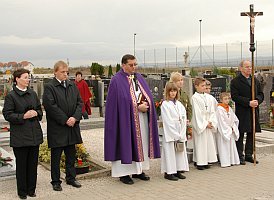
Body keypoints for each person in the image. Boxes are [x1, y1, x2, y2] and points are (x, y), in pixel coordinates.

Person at [104, 54, 161, 185]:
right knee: (126, 143)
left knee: (141, 143)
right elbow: (117, 104)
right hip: (124, 121)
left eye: (135, 64)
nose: (134, 67)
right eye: (131, 65)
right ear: (123, 65)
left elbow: (147, 95)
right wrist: (136, 107)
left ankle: (138, 170)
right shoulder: (116, 80)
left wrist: (147, 104)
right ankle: (123, 173)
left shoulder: (138, 77)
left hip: (140, 119)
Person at [2, 68, 43, 199]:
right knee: (22, 165)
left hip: (34, 134)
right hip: (20, 136)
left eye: (28, 77)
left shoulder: (33, 94)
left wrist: (36, 113)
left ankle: (32, 189)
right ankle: (22, 191)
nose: (28, 79)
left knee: (32, 165)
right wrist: (23, 116)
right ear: (17, 79)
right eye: (25, 77)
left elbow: (40, 110)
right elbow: (8, 115)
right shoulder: (11, 96)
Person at [43, 61, 83, 191]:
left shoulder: (72, 85)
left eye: (67, 72)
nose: (65, 74)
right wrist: (65, 119)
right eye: (62, 72)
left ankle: (71, 178)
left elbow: (79, 103)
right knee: (56, 156)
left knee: (71, 155)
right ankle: (56, 181)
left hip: (72, 127)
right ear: (55, 72)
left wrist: (75, 118)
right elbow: (50, 106)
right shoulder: (50, 87)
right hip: (58, 128)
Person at [230, 60, 264, 165]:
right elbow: (235, 96)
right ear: (241, 68)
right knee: (240, 133)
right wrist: (248, 102)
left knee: (251, 132)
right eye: (247, 67)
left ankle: (249, 154)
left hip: (253, 110)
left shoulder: (255, 80)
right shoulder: (235, 81)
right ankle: (239, 155)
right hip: (243, 110)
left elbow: (261, 93)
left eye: (250, 67)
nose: (249, 69)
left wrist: (257, 101)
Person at [161, 82, 189, 181]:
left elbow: (183, 117)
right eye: (171, 91)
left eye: (174, 91)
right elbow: (167, 120)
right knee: (170, 152)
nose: (173, 93)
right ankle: (169, 172)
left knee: (179, 152)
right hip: (171, 131)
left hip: (180, 129)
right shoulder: (165, 104)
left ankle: (178, 170)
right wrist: (175, 134)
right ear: (167, 92)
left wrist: (182, 132)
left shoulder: (179, 104)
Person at [191, 77, 218, 170]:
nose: (204, 87)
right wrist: (205, 123)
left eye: (205, 85)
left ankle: (206, 161)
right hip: (201, 124)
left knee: (208, 143)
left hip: (208, 123)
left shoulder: (209, 97)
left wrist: (211, 121)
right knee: (200, 143)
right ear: (196, 86)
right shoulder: (194, 98)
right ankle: (200, 162)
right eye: (202, 86)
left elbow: (213, 111)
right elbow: (196, 113)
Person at [216, 92, 240, 167]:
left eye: (228, 99)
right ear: (221, 100)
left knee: (231, 146)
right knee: (224, 146)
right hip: (224, 131)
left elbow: (234, 119)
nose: (227, 101)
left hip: (230, 130)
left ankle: (232, 160)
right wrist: (228, 129)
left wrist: (233, 127)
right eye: (225, 99)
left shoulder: (229, 108)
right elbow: (221, 121)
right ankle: (225, 162)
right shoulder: (219, 109)